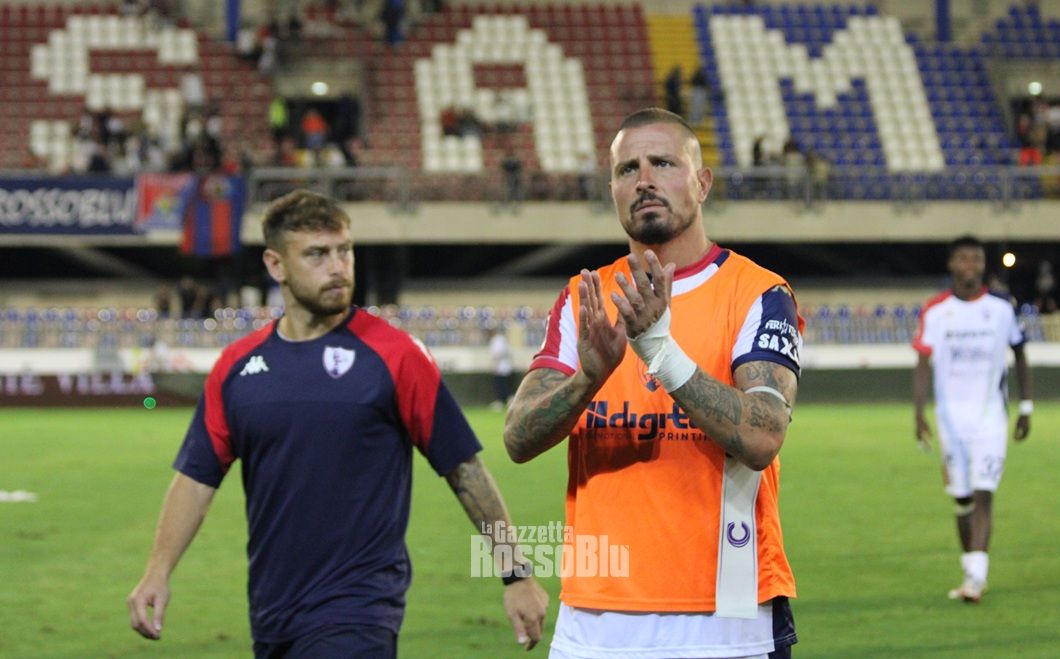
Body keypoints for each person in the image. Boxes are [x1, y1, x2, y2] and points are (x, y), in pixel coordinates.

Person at [128, 190, 548, 657]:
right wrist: (157, 571)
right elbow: (196, 479)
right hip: (272, 611)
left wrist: (516, 573)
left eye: (344, 251)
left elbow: (464, 469)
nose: (338, 267)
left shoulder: (396, 355)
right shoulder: (237, 367)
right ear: (275, 265)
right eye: (317, 254)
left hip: (360, 610)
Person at [503, 108, 802, 658]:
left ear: (702, 183)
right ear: (613, 191)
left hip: (725, 620)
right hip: (595, 622)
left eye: (663, 163)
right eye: (627, 169)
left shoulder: (758, 293)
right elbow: (518, 438)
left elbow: (763, 437)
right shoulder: (585, 297)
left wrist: (661, 353)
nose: (644, 180)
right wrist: (587, 380)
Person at [912, 234, 1033, 604]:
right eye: (963, 259)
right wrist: (918, 414)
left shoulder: (1001, 308)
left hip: (990, 417)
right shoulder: (936, 311)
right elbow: (922, 363)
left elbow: (1020, 354)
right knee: (962, 499)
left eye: (976, 259)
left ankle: (976, 578)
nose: (970, 265)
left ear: (983, 264)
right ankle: (970, 572)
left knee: (983, 492)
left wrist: (1026, 406)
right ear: (952, 264)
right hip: (950, 421)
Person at [488, 325, 514, 411]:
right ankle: (503, 401)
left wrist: (494, 365)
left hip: (500, 367)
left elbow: (498, 354)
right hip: (504, 367)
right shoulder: (502, 339)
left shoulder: (497, 339)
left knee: (501, 385)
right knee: (502, 385)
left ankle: (506, 401)